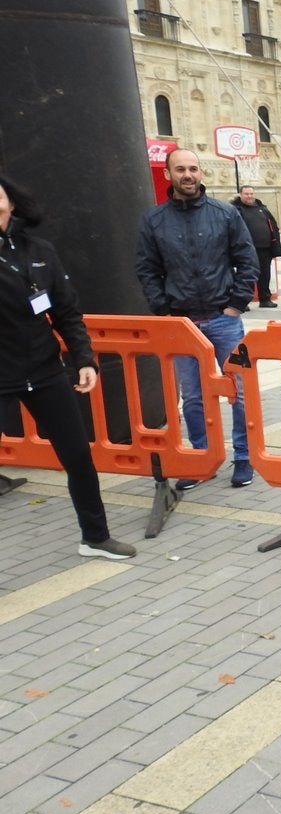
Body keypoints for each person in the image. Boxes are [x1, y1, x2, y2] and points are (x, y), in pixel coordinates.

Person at [0, 172, 136, 559]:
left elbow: (66, 311)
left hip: (43, 369)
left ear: (11, 200)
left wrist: (83, 359)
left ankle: (95, 537)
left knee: (77, 455)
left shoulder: (38, 249)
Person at [135, 147, 259, 490]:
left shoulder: (225, 214)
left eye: (193, 168)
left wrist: (235, 304)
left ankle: (244, 457)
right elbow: (147, 268)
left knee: (239, 391)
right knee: (192, 397)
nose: (187, 175)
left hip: (224, 320)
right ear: (167, 174)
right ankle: (201, 458)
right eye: (180, 169)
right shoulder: (154, 220)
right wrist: (164, 311)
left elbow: (246, 259)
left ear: (201, 172)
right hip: (183, 326)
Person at [231, 184, 281, 308]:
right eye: (246, 194)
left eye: (251, 194)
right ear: (240, 195)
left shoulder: (262, 209)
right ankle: (243, 302)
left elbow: (273, 226)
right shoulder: (235, 210)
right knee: (246, 276)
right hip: (246, 250)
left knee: (265, 276)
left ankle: (265, 300)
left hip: (265, 248)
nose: (249, 196)